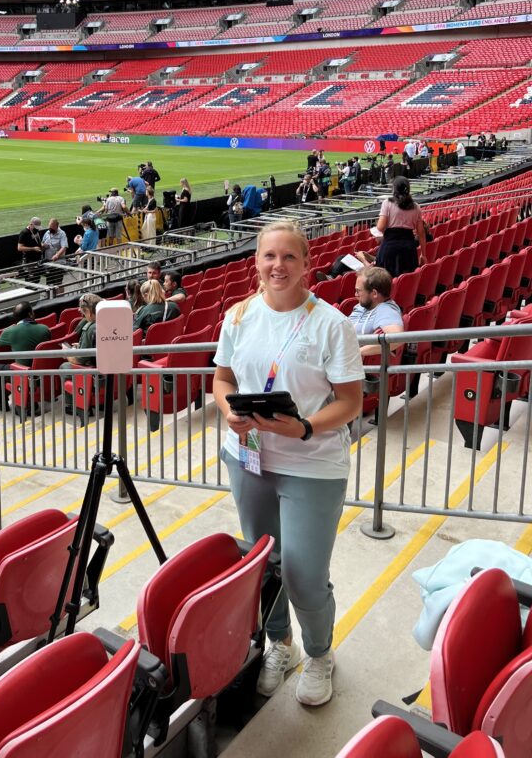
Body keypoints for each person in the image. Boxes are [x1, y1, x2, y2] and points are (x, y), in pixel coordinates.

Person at [212, 220, 364, 706]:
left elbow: (351, 402)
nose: (278, 265)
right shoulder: (237, 317)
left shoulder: (331, 324)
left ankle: (320, 654)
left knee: (303, 573)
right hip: (249, 458)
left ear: (307, 265)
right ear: (256, 262)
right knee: (264, 565)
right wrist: (230, 411)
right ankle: (280, 644)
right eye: (269, 256)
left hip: (312, 463)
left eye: (289, 257)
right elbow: (222, 380)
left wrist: (303, 427)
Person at [374, 176, 427, 278]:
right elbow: (421, 233)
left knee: (386, 281)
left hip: (390, 246)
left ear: (394, 189)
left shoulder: (387, 203)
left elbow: (380, 227)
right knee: (406, 280)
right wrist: (423, 254)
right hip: (408, 248)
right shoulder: (416, 207)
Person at [347, 268, 404, 353]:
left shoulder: (385, 310)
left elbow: (397, 339)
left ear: (374, 294)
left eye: (358, 291)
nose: (355, 295)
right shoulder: (362, 306)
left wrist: (356, 353)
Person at [64, 293, 102, 368]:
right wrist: (81, 346)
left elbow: (79, 360)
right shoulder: (108, 321)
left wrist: (66, 352)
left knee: (64, 366)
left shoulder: (90, 328)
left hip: (94, 372)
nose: (80, 312)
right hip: (111, 367)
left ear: (88, 311)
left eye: (83, 312)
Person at [42, 218, 68, 287]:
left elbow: (64, 247)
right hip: (49, 263)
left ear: (57, 226)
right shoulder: (47, 233)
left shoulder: (62, 234)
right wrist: (43, 245)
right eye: (49, 227)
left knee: (58, 284)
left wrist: (57, 255)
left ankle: (60, 297)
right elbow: (42, 243)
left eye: (52, 228)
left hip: (58, 263)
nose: (50, 229)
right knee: (49, 284)